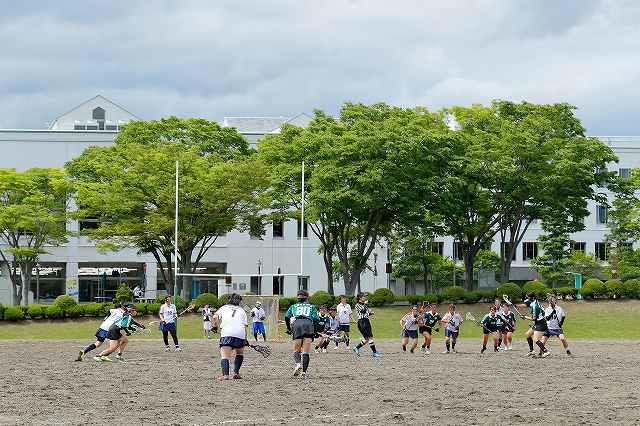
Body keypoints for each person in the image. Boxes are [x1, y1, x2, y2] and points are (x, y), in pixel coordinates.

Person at [213, 293, 248, 380]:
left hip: (227, 333)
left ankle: (225, 375)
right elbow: (245, 326)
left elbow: (215, 317)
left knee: (224, 355)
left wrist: (215, 326)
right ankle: (236, 373)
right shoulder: (242, 310)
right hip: (240, 333)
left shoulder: (224, 308)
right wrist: (245, 339)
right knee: (239, 353)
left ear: (229, 300)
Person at [285, 290, 319, 378]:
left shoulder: (293, 306)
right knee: (306, 352)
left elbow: (286, 316)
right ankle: (304, 372)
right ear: (307, 298)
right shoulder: (312, 307)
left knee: (296, 350)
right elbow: (316, 319)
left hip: (297, 324)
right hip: (308, 324)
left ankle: (298, 364)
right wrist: (315, 331)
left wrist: (289, 328)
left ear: (298, 298)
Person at [352, 293, 382, 358]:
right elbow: (362, 311)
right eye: (364, 296)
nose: (365, 298)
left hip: (365, 321)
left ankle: (356, 348)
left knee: (366, 339)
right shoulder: (357, 305)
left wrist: (371, 313)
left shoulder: (364, 305)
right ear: (360, 298)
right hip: (362, 322)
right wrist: (365, 304)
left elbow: (366, 313)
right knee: (370, 337)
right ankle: (374, 353)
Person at [522, 292, 550, 358]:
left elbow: (533, 319)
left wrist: (525, 317)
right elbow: (527, 304)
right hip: (538, 323)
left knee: (535, 339)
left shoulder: (535, 307)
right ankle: (532, 351)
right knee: (528, 334)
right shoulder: (535, 302)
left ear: (532, 298)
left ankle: (546, 351)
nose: (527, 299)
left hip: (541, 324)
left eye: (528, 297)